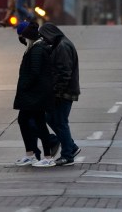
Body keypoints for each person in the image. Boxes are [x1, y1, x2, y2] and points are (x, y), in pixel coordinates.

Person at [13, 21, 56, 167]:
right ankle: (31, 154)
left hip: (35, 95)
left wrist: (25, 86)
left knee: (38, 123)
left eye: (24, 38)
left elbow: (35, 72)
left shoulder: (37, 49)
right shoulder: (34, 48)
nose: (23, 40)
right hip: (34, 95)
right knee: (25, 121)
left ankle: (47, 157)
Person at [39, 22, 81, 166]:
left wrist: (57, 93)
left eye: (44, 37)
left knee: (61, 122)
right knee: (51, 119)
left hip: (64, 93)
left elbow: (64, 73)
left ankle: (67, 155)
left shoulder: (62, 46)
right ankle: (71, 146)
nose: (44, 40)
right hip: (62, 92)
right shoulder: (60, 44)